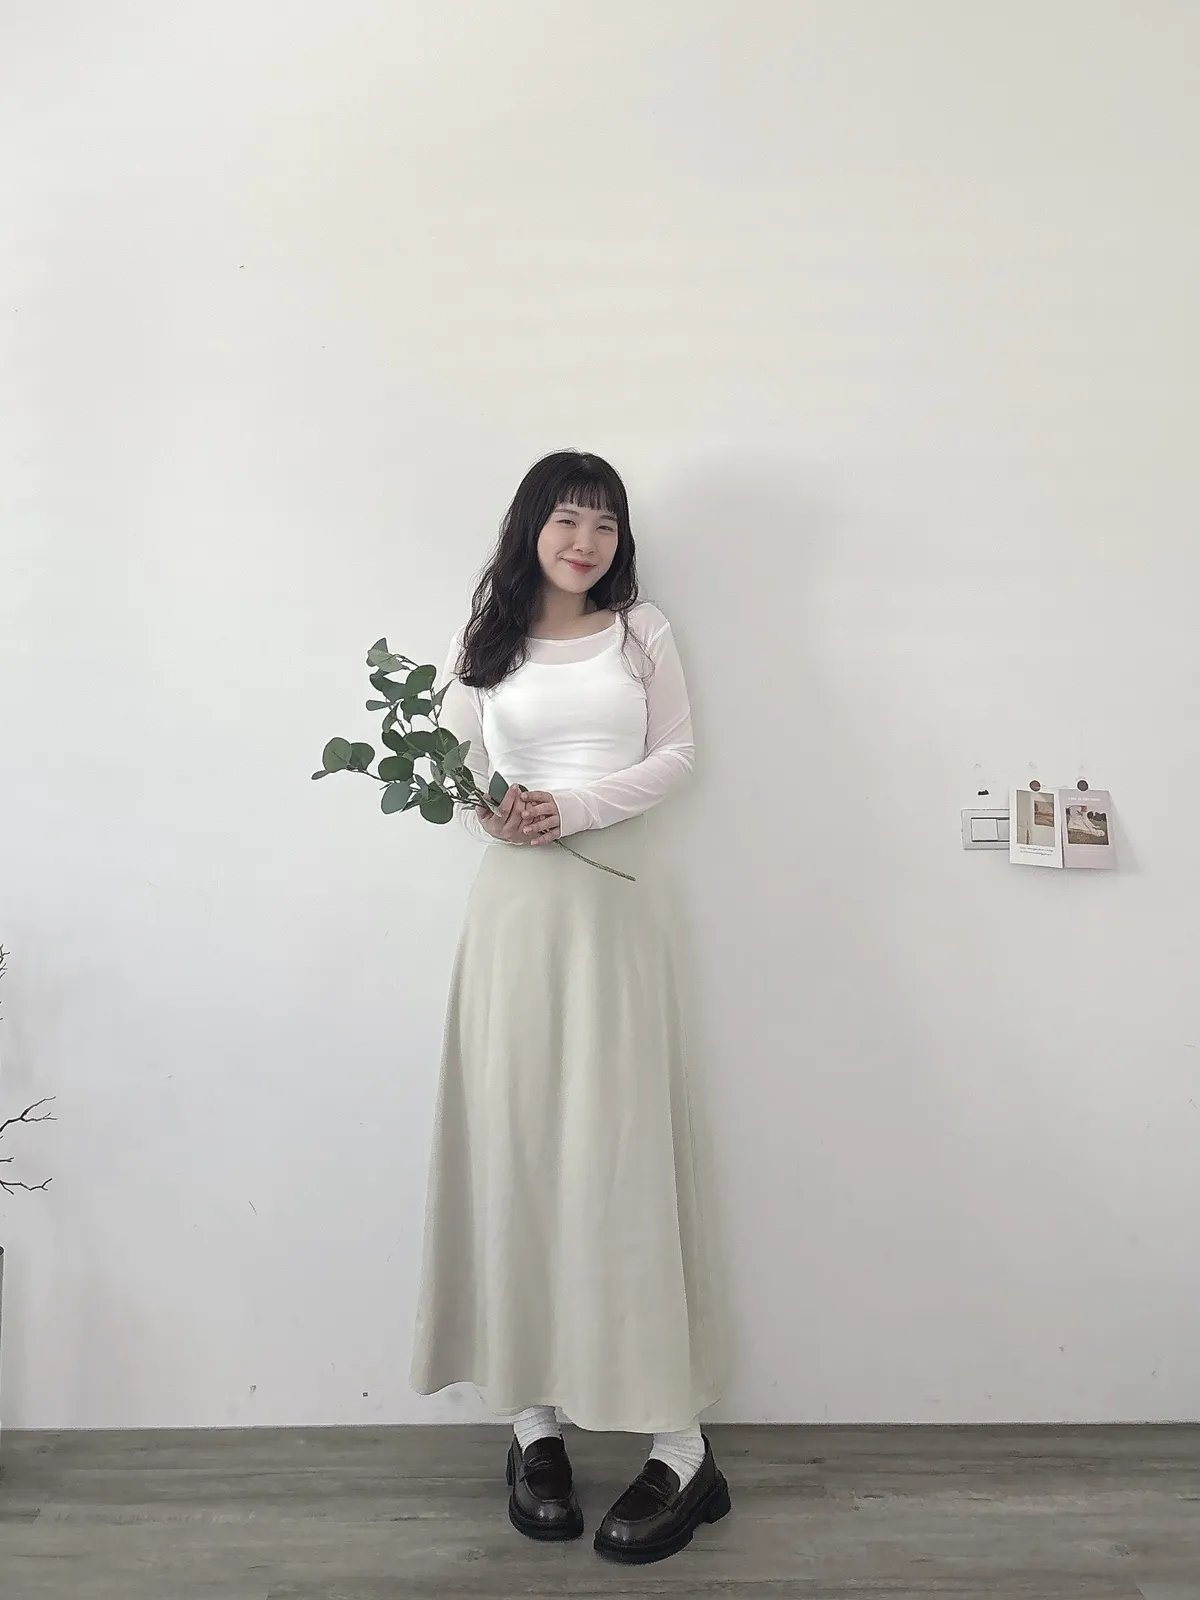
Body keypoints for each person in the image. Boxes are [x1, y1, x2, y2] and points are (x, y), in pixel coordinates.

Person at [410, 450, 728, 1565]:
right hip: (515, 917)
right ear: (530, 528)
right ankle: (531, 1426)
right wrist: (490, 810)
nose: (585, 541)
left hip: (616, 909)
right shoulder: (485, 639)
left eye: (603, 523)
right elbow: (452, 761)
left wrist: (574, 806)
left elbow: (679, 755)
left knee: (621, 1150)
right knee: (516, 1147)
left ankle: (681, 1445)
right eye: (565, 520)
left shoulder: (642, 631)